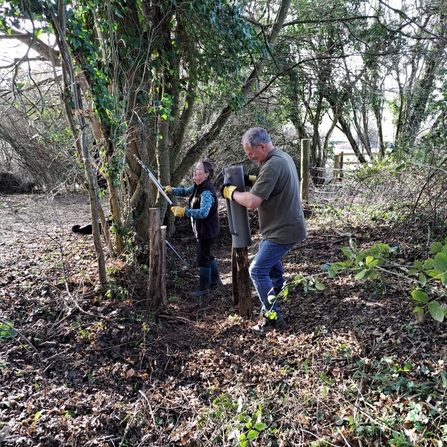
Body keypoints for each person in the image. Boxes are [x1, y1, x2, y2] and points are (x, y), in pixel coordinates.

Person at [221, 127, 307, 333]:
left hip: (282, 230)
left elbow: (252, 202)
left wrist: (231, 193)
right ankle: (278, 287)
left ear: (262, 146)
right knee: (267, 257)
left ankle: (273, 317)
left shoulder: (272, 165)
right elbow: (273, 184)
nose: (251, 158)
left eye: (251, 154)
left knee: (257, 270)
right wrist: (254, 180)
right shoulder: (280, 157)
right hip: (282, 227)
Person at [165, 160, 223, 297]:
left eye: (198, 169)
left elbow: (203, 212)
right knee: (208, 255)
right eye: (195, 168)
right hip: (204, 229)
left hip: (206, 231)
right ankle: (215, 281)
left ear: (207, 174)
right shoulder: (198, 186)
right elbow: (186, 191)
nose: (194, 171)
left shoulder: (206, 193)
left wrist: (184, 211)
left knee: (203, 258)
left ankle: (204, 288)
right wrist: (172, 190)